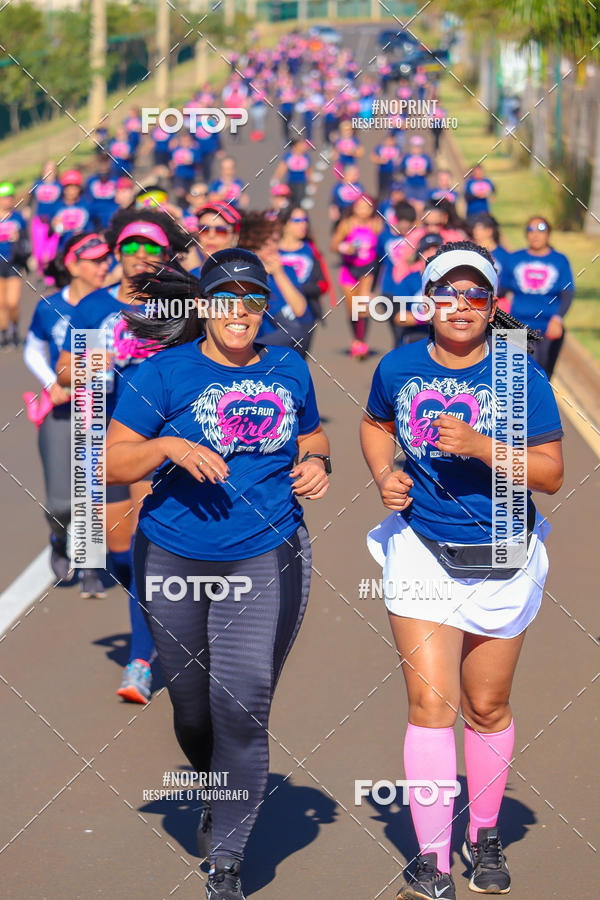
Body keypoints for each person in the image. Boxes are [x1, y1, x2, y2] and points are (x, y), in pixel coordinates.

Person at [105, 248, 331, 900]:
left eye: (253, 300)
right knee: (193, 710)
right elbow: (114, 463)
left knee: (241, 703)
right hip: (173, 553)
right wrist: (168, 446)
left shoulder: (287, 366)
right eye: (227, 299)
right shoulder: (163, 373)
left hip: (266, 550)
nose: (241, 313)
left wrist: (319, 464)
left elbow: (312, 437)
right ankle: (215, 783)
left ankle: (227, 863)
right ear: (204, 305)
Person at [361, 241, 564, 900]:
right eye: (447, 293)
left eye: (475, 294)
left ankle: (483, 833)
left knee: (486, 705)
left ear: (492, 303)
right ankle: (432, 860)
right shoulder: (396, 366)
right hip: (423, 549)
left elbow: (551, 474)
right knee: (431, 704)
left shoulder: (519, 373)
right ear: (428, 301)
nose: (460, 306)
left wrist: (481, 446)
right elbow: (374, 424)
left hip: (505, 551)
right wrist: (387, 473)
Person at [55, 209, 190, 702]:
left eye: (150, 247)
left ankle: (140, 660)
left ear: (164, 253)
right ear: (117, 252)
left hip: (159, 435)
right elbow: (66, 372)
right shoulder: (94, 308)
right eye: (130, 247)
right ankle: (158, 626)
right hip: (101, 432)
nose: (139, 256)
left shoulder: (181, 299)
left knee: (146, 550)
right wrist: (93, 362)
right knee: (119, 554)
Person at [24, 232, 111, 592]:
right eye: (95, 261)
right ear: (73, 265)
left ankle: (91, 569)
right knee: (62, 502)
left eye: (107, 259)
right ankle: (60, 539)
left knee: (93, 491)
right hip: (60, 412)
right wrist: (53, 383)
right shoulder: (48, 307)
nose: (103, 266)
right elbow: (33, 349)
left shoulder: (114, 304)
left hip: (102, 409)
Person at [503, 216, 574, 377]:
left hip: (547, 327)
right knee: (510, 378)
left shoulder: (559, 260)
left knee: (542, 376)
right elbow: (500, 289)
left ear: (548, 234)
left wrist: (558, 319)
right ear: (525, 234)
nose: (535, 234)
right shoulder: (514, 258)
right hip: (516, 325)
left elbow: (567, 293)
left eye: (541, 229)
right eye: (530, 230)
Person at [238, 211, 314, 357]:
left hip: (285, 349)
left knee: (297, 333)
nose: (273, 247)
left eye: (275, 241)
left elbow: (301, 310)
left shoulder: (286, 271)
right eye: (266, 243)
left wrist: (279, 274)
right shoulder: (243, 275)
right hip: (256, 348)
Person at [331, 194, 383, 359]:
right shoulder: (347, 224)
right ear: (354, 207)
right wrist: (344, 247)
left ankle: (361, 342)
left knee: (363, 306)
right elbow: (334, 245)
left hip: (368, 270)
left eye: (367, 207)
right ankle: (355, 338)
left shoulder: (376, 224)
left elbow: (383, 247)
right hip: (349, 269)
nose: (363, 210)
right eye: (360, 206)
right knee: (352, 309)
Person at [277, 205, 331, 325]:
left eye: (305, 220)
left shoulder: (311, 249)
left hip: (306, 314)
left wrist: (298, 289)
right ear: (284, 224)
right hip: (276, 313)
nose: (303, 225)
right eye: (297, 221)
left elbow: (323, 285)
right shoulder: (272, 250)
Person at [0, 182, 29, 348]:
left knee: (12, 302)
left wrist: (19, 239)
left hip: (14, 263)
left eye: (10, 197)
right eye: (4, 197)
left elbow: (27, 242)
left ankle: (15, 329)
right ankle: (4, 333)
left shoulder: (18, 218)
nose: (7, 200)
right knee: (1, 303)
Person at [469, 213, 511, 311]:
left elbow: (507, 283)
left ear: (489, 231)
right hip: (474, 301)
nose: (475, 231)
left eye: (479, 228)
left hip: (499, 303)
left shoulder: (504, 255)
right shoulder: (471, 253)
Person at [30, 161, 62, 282]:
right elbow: (30, 198)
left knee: (50, 253)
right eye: (47, 169)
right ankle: (41, 272)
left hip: (53, 222)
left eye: (52, 169)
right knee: (39, 252)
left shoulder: (60, 185)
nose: (50, 172)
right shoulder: (37, 184)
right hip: (39, 222)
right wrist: (27, 209)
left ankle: (50, 276)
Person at [273, 138, 313, 207]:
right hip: (290, 181)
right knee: (289, 200)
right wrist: (276, 178)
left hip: (301, 182)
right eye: (301, 145)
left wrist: (312, 182)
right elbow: (282, 167)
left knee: (299, 200)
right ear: (295, 146)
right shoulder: (288, 156)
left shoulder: (306, 156)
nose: (303, 147)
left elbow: (309, 170)